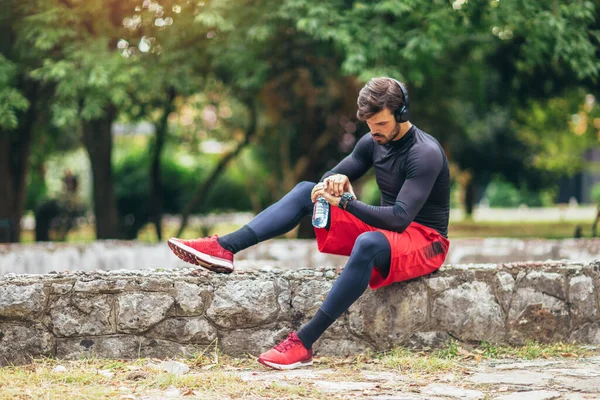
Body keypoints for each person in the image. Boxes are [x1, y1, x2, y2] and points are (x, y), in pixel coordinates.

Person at [168, 76, 450, 370]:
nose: (374, 132)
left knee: (368, 243)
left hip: (426, 241)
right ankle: (223, 247)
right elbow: (327, 179)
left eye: (381, 124)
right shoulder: (372, 142)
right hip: (387, 231)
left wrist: (347, 203)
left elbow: (401, 217)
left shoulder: (424, 153)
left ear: (401, 113)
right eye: (369, 124)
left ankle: (303, 343)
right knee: (307, 190)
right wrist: (334, 180)